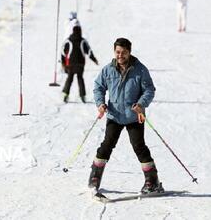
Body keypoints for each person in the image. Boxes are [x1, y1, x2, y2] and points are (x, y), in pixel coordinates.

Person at [88, 38, 163, 194]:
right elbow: (98, 88)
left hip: (134, 116)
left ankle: (152, 181)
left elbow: (149, 90)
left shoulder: (140, 70)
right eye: (117, 52)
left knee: (139, 147)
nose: (120, 55)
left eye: (123, 52)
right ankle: (95, 177)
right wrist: (100, 104)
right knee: (106, 145)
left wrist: (141, 104)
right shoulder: (108, 70)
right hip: (114, 116)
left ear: (129, 52)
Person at [61, 25, 98, 103]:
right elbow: (89, 51)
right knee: (80, 79)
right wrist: (94, 59)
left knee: (69, 79)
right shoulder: (83, 41)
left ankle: (65, 94)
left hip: (70, 64)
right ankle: (82, 96)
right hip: (80, 64)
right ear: (80, 31)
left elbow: (63, 52)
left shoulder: (68, 40)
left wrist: (63, 63)